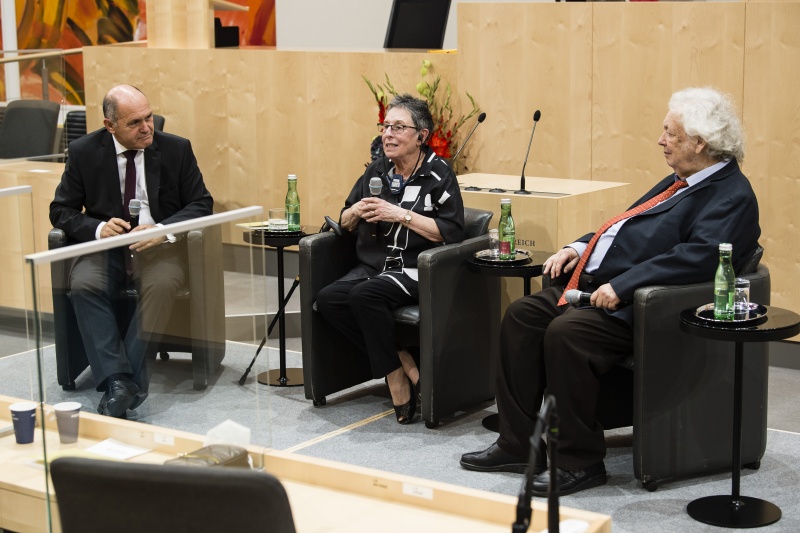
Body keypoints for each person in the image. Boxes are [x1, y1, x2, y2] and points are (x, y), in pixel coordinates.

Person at [460, 87, 761, 495]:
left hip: (649, 305)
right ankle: (517, 443)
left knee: (567, 334)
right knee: (522, 316)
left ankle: (579, 462)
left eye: (670, 133)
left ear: (700, 142)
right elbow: (626, 223)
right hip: (602, 287)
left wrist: (624, 284)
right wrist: (579, 246)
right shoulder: (683, 179)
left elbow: (700, 259)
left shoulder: (732, 195)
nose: (661, 141)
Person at [50, 85, 213, 418]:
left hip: (158, 250)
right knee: (83, 284)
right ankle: (121, 381)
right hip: (106, 248)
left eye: (149, 117)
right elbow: (61, 210)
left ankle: (120, 382)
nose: (147, 128)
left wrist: (162, 230)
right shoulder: (84, 151)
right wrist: (96, 228)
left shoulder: (176, 149)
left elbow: (202, 203)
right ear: (110, 125)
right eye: (135, 122)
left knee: (163, 284)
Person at [315, 94, 465, 424]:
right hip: (375, 266)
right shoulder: (378, 169)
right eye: (386, 127)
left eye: (399, 127)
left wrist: (400, 215)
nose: (388, 135)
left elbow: (451, 232)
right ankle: (403, 362)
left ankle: (397, 382)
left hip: (417, 268)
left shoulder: (438, 175)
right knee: (328, 300)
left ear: (421, 136)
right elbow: (344, 219)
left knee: (364, 295)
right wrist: (352, 213)